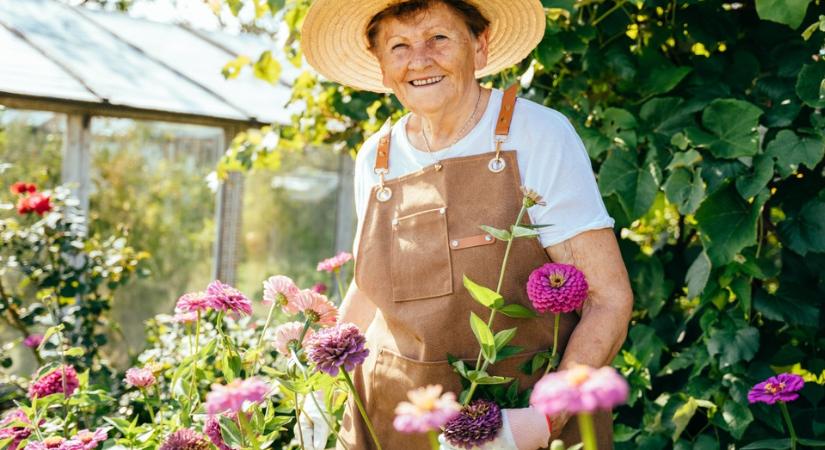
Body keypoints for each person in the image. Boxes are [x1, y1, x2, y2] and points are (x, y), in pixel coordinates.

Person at [300, 0, 634, 448]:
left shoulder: (536, 135)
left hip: (514, 417)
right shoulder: (375, 158)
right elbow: (370, 289)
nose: (420, 59)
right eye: (399, 46)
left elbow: (607, 299)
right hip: (390, 422)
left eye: (438, 38)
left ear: (479, 45)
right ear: (381, 68)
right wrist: (319, 390)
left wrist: (539, 423)